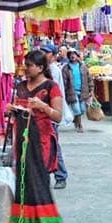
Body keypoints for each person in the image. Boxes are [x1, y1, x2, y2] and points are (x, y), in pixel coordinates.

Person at [7, 50, 69, 223]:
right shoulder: (21, 86)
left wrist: (43, 106)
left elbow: (58, 116)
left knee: (39, 186)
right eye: (26, 64)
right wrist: (12, 110)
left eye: (30, 65)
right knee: (24, 187)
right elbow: (18, 109)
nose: (26, 68)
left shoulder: (51, 88)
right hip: (23, 142)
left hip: (41, 143)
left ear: (41, 67)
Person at [40, 44, 70, 190]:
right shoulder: (45, 69)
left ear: (52, 55)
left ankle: (61, 176)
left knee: (53, 146)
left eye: (46, 52)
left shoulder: (53, 71)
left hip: (51, 114)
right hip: (44, 113)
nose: (43, 54)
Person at [62, 48, 93, 133]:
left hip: (83, 91)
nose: (72, 56)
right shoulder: (66, 68)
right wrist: (63, 93)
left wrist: (91, 90)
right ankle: (80, 125)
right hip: (72, 92)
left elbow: (89, 78)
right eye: (71, 54)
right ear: (68, 56)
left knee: (82, 109)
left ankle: (76, 120)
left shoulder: (83, 66)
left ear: (77, 55)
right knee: (77, 110)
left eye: (74, 54)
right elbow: (64, 81)